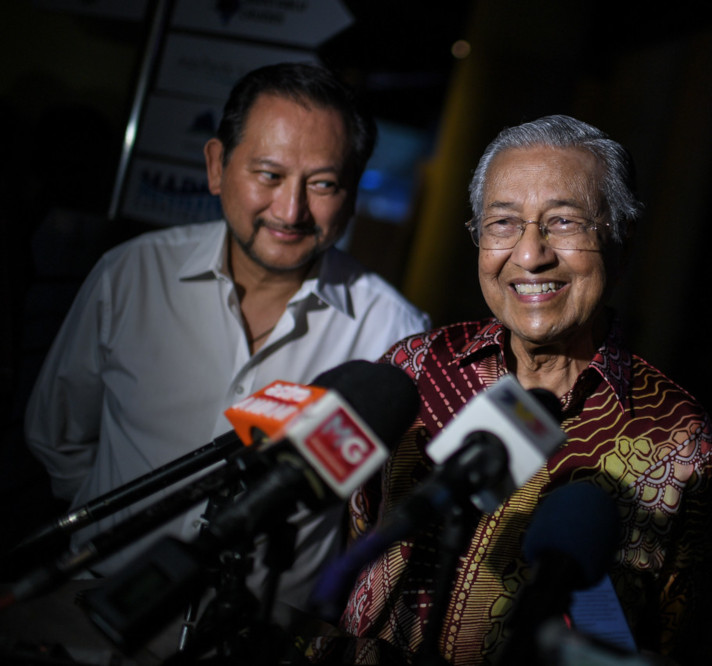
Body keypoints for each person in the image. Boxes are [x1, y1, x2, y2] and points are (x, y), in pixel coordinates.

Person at [21, 62, 431, 610]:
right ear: (217, 166)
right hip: (94, 606)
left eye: (324, 184)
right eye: (268, 174)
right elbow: (59, 437)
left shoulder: (395, 333)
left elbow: (381, 515)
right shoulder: (132, 276)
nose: (290, 210)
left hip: (257, 635)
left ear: (352, 195)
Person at [331, 115, 712, 665]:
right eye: (502, 223)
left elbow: (666, 629)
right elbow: (357, 535)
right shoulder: (415, 368)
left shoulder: (674, 432)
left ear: (620, 240)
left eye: (563, 222)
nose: (530, 255)